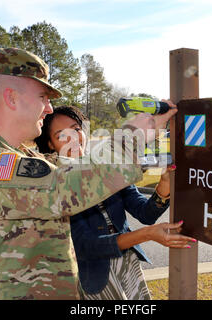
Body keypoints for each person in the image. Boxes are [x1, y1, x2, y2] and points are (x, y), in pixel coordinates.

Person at [0, 47, 178, 300]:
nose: (49, 108)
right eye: (43, 97)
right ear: (12, 98)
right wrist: (132, 138)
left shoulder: (16, 155)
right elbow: (62, 188)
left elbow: (70, 169)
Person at [34, 105, 196, 300]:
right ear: (50, 143)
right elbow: (87, 246)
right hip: (93, 275)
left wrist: (164, 184)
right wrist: (147, 235)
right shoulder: (55, 184)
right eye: (62, 134)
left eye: (76, 129)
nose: (74, 138)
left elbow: (146, 213)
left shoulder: (104, 168)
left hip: (127, 262)